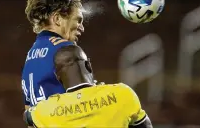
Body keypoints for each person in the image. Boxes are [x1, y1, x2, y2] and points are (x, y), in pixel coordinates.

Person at [23, 45, 153, 128]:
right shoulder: (122, 93)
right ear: (88, 66)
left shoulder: (45, 110)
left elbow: (27, 116)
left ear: (58, 78)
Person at [21, 0, 85, 111]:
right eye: (78, 20)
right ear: (57, 19)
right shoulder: (67, 51)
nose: (82, 27)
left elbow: (28, 113)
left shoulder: (30, 56)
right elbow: (86, 107)